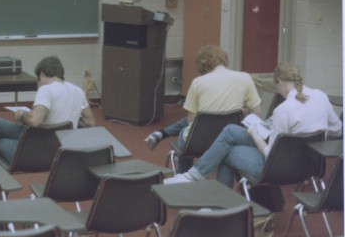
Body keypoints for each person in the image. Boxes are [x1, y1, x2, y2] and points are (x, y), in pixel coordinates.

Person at [165, 62, 343, 186]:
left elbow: (270, 153)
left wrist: (255, 135)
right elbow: (337, 130)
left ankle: (212, 195)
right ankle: (197, 177)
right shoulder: (321, 96)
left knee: (226, 151)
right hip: (310, 165)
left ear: (280, 82)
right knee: (230, 131)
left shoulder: (284, 109)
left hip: (279, 167)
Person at [144, 44, 262, 173]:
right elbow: (257, 114)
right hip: (228, 141)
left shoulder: (197, 83)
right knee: (203, 120)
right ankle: (163, 133)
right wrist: (241, 112)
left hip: (199, 142)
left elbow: (191, 121)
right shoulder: (245, 77)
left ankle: (183, 174)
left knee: (186, 130)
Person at [0, 56, 96, 163]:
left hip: (38, 151)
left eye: (38, 79)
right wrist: (71, 115)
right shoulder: (78, 91)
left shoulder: (46, 90)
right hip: (62, 154)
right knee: (2, 142)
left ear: (42, 74)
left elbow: (35, 121)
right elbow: (90, 123)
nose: (39, 83)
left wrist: (22, 114)